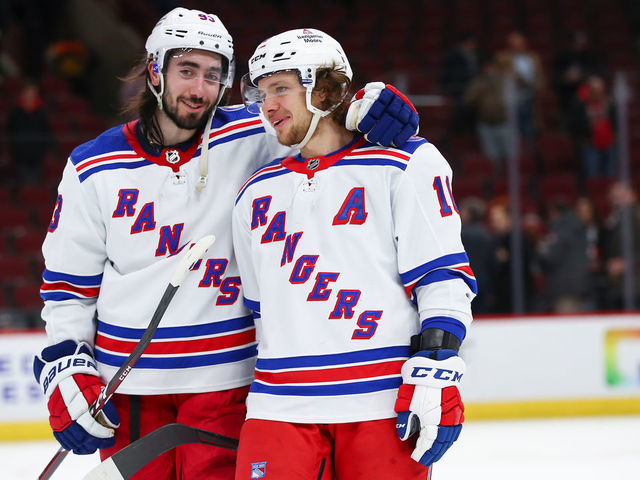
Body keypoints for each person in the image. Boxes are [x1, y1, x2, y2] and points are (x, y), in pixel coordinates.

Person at [31, 8, 420, 480]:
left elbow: (320, 122)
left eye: (213, 76)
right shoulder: (93, 165)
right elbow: (68, 288)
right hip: (128, 388)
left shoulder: (256, 134)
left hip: (227, 385)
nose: (199, 89)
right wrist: (68, 368)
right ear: (155, 70)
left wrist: (371, 105)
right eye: (187, 71)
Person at [232, 28, 475, 479]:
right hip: (278, 403)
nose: (268, 106)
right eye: (262, 92)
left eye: (281, 88)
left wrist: (437, 366)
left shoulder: (404, 163)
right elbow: (260, 308)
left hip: (380, 401)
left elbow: (443, 277)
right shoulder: (254, 192)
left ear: (324, 89)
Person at [6, 81, 52, 183]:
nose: (30, 97)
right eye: (28, 94)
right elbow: (10, 133)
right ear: (22, 95)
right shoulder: (15, 114)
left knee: (36, 184)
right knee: (24, 183)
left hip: (38, 157)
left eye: (33, 95)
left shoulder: (41, 114)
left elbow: (47, 133)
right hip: (19, 158)